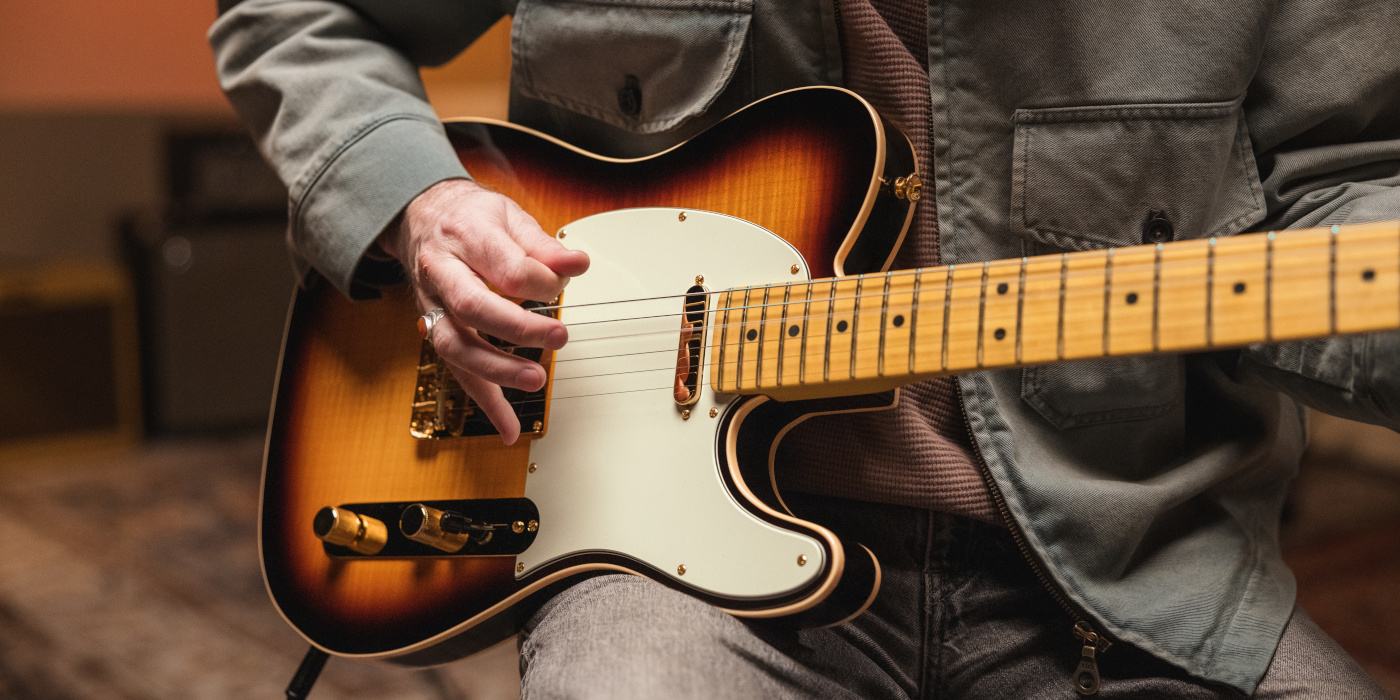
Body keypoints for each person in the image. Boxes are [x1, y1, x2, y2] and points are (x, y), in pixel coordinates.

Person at [210, 0, 1400, 696]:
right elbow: (296, 13)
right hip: (664, 570)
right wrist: (416, 206)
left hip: (1126, 556)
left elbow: (1342, 186)